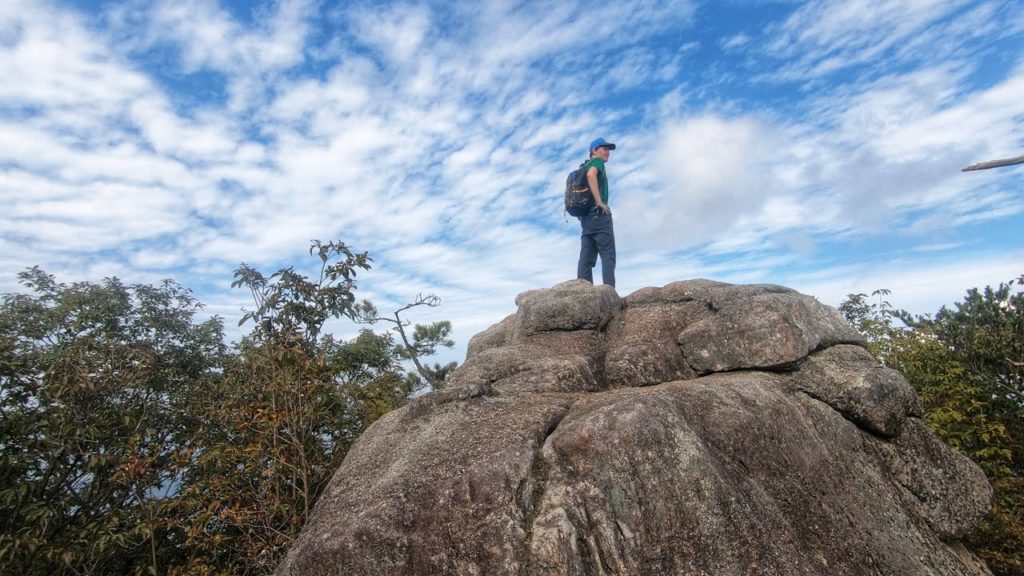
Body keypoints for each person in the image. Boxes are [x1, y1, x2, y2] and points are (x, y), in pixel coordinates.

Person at [576, 137, 616, 287]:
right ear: (594, 150)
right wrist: (599, 201)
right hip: (600, 216)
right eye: (604, 149)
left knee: (586, 260)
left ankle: (584, 294)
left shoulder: (583, 166)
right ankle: (610, 294)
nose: (608, 152)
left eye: (608, 150)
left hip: (586, 220)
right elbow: (591, 174)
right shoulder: (596, 162)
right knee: (608, 256)